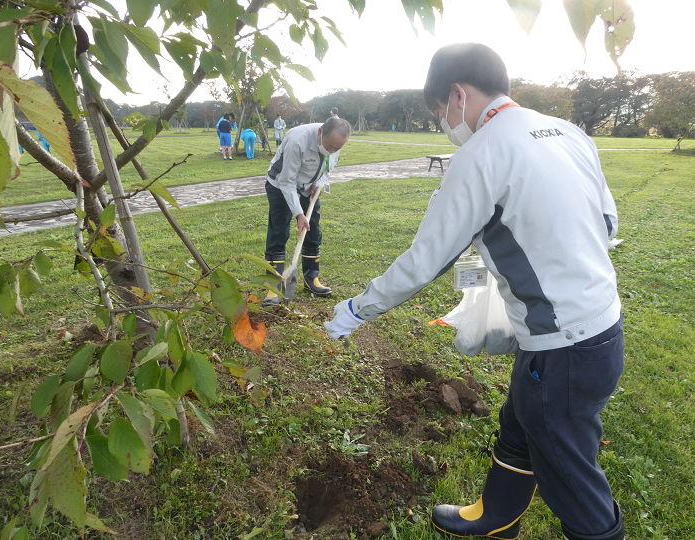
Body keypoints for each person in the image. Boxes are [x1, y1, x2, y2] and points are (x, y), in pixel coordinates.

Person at [324, 43, 625, 540]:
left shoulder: (481, 154)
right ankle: (496, 516)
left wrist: (357, 310)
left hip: (563, 348)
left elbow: (425, 261)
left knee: (572, 477)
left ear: (458, 95)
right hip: (604, 327)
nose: (444, 122)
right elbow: (608, 221)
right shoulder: (570, 132)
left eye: (440, 111)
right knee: (522, 421)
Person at [262, 116, 351, 306]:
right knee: (278, 233)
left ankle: (312, 279)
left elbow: (328, 168)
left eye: (337, 148)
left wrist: (319, 183)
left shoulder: (334, 144)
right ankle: (272, 288)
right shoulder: (297, 140)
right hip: (280, 186)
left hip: (309, 188)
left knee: (313, 231)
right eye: (329, 146)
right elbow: (287, 181)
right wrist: (298, 214)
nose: (332, 151)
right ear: (320, 133)